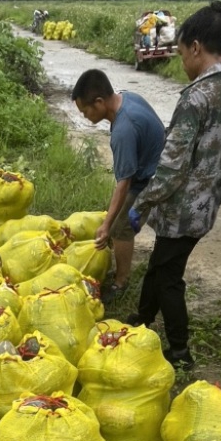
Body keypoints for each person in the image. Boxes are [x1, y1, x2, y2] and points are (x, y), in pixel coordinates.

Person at [126, 1, 221, 368]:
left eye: (182, 54)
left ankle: (179, 350)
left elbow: (171, 166)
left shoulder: (196, 98)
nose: (182, 63)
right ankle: (142, 319)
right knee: (161, 262)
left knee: (169, 276)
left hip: (180, 209)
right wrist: (218, 196)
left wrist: (143, 203)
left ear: (196, 47)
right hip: (206, 207)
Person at [72, 68, 165, 298]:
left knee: (121, 227)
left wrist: (107, 225)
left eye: (85, 111)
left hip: (153, 178)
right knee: (115, 218)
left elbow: (124, 184)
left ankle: (120, 283)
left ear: (100, 102)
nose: (85, 116)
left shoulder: (123, 130)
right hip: (155, 162)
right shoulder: (127, 97)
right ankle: (114, 255)